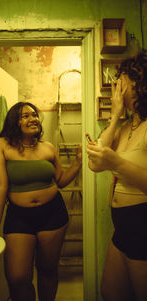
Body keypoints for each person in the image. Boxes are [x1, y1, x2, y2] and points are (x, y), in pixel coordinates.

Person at [0, 101, 82, 301]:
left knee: (48, 270)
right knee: (17, 278)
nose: (33, 119)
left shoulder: (48, 148)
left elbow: (61, 181)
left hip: (53, 215)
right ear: (14, 121)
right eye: (25, 116)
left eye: (34, 115)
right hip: (19, 216)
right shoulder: (2, 145)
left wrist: (77, 162)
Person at [86, 50, 147, 301]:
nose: (117, 89)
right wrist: (115, 115)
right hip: (122, 227)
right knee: (110, 293)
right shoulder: (125, 127)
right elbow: (95, 164)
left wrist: (116, 162)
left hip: (142, 225)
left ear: (140, 86)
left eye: (123, 82)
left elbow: (111, 161)